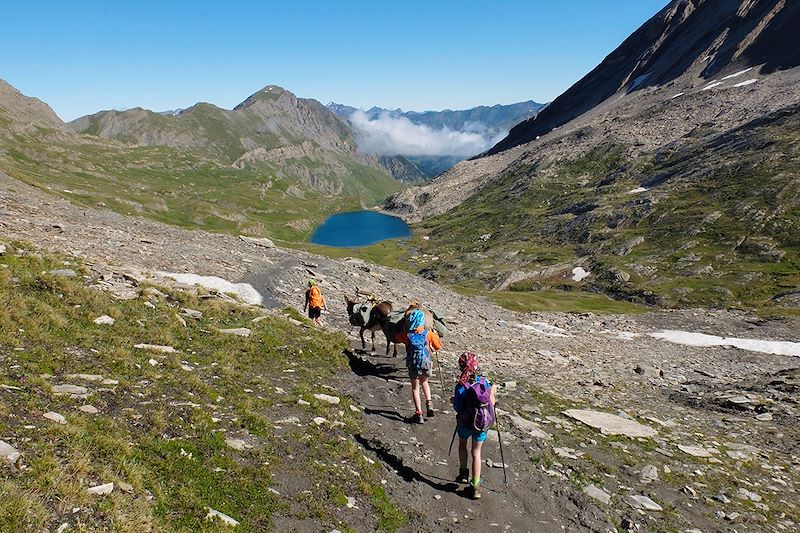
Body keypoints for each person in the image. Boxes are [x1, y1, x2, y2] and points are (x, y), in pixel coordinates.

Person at [452, 351, 496, 500]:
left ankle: (463, 473)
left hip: (464, 422)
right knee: (476, 453)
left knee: (462, 444)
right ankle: (476, 485)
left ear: (460, 366)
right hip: (481, 423)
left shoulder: (461, 386)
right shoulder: (484, 383)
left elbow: (457, 407)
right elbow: (491, 403)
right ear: (476, 367)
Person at [395, 309, 442, 424]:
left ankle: (419, 414)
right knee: (425, 383)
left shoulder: (407, 335)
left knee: (415, 388)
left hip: (413, 364)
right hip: (425, 363)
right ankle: (429, 404)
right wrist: (434, 336)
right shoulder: (429, 334)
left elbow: (396, 337)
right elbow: (438, 347)